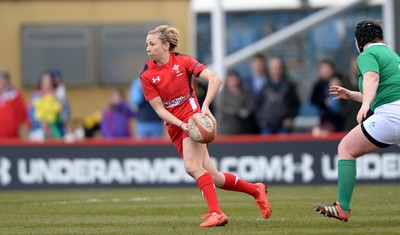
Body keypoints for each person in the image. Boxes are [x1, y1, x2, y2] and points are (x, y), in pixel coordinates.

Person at [140, 25, 271, 227]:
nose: (147, 48)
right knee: (215, 178)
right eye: (147, 44)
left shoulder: (183, 61)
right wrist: (181, 124)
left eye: (152, 44)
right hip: (177, 125)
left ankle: (216, 213)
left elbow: (215, 79)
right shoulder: (147, 74)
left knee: (192, 167)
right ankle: (256, 190)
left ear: (166, 45)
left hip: (194, 119)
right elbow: (160, 111)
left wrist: (206, 106)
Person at [314, 20, 400, 222]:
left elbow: (372, 79)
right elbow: (385, 92)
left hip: (390, 116)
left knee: (346, 149)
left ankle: (342, 207)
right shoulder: (392, 55)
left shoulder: (367, 54)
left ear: (360, 40)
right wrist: (352, 95)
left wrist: (365, 105)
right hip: (394, 110)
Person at [255, 57, 300, 134]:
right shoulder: (264, 87)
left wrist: (290, 117)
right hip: (267, 125)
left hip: (284, 126)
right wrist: (261, 119)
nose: (276, 70)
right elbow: (257, 105)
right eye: (273, 68)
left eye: (278, 68)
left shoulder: (289, 86)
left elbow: (296, 104)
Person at [27, 71, 70, 141]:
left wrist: (59, 115)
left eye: (49, 83)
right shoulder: (35, 96)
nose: (47, 85)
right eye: (44, 83)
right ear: (41, 84)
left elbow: (67, 113)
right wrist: (42, 123)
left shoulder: (58, 96)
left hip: (57, 130)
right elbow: (31, 116)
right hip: (39, 131)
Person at [217, 69, 254, 135]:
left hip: (242, 128)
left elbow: (250, 106)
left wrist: (245, 112)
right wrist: (237, 112)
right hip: (226, 129)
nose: (233, 82)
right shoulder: (223, 94)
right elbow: (222, 108)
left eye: (235, 79)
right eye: (231, 79)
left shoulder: (244, 92)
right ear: (227, 81)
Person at [310, 59, 344, 132]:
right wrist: (324, 101)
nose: (325, 71)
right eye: (323, 68)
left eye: (327, 68)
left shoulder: (340, 80)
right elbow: (313, 99)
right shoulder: (319, 85)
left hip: (341, 119)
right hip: (326, 118)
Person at [0, 70, 27, 138]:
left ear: (7, 81)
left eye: (3, 80)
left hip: (12, 135)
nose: (1, 82)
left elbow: (21, 113)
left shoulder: (16, 95)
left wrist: (14, 126)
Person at [340, 56, 362, 131]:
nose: (355, 66)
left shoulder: (365, 78)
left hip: (364, 115)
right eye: (354, 64)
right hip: (349, 118)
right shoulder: (345, 80)